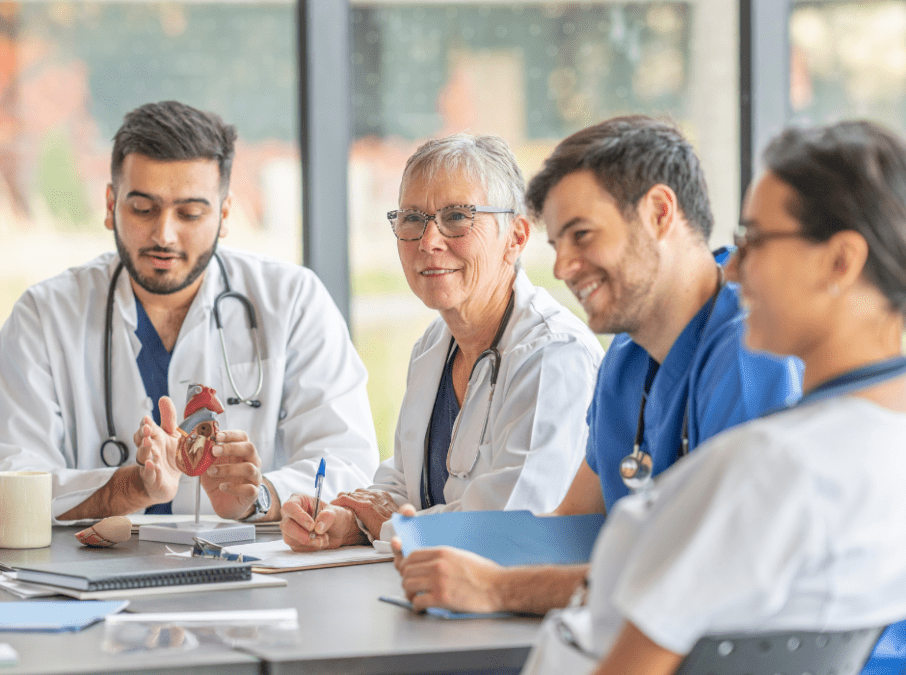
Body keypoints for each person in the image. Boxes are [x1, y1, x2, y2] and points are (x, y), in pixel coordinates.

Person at [520, 120, 906, 675]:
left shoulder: (769, 465)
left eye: (757, 241)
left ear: (840, 261)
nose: (736, 267)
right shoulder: (865, 446)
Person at [393, 116, 802, 615]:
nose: (563, 268)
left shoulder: (751, 349)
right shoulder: (625, 365)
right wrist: (421, 545)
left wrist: (500, 589)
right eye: (558, 245)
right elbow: (566, 526)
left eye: (582, 236)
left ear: (658, 213)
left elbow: (718, 576)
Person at [0, 101, 379, 522]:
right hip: (91, 577)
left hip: (251, 575)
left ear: (225, 214)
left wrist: (258, 495)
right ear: (110, 204)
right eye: (143, 209)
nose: (164, 234)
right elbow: (11, 482)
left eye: (190, 213)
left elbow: (349, 463)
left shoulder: (294, 301)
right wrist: (129, 487)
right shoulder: (43, 316)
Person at [280, 133, 604, 550]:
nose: (429, 241)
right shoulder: (436, 343)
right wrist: (344, 519)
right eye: (412, 218)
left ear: (517, 237)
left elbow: (513, 521)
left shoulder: (554, 355)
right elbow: (407, 483)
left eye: (456, 217)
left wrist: (387, 525)